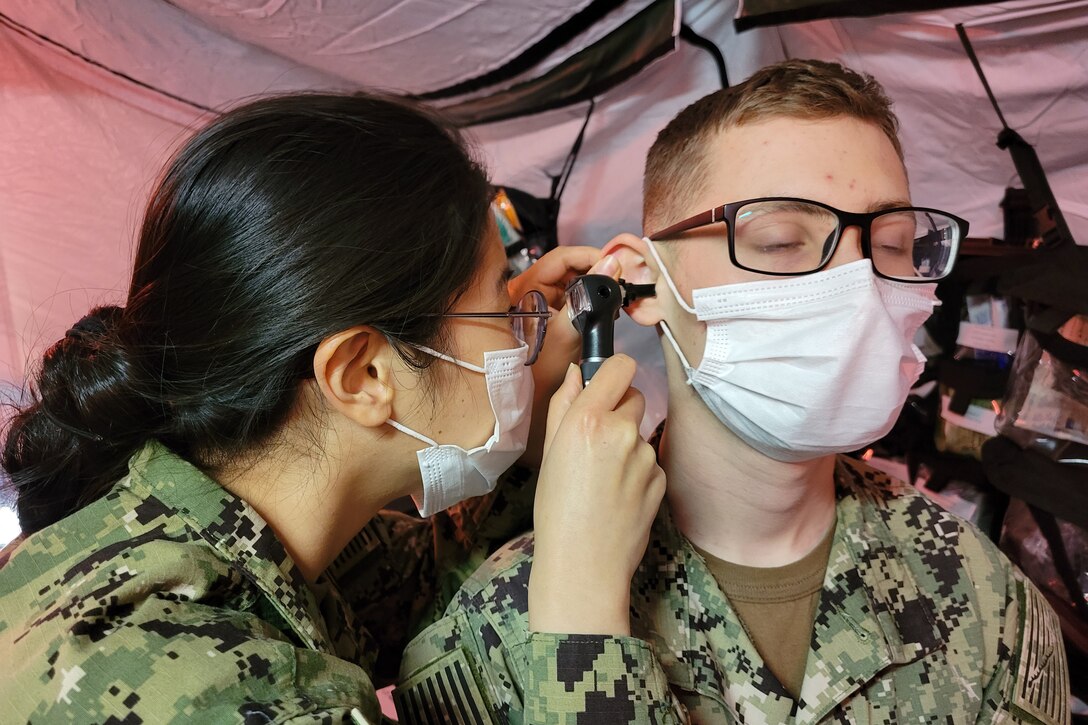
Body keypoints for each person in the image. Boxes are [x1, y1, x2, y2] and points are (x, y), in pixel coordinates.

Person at [396, 60, 1071, 723]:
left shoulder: (989, 601)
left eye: (893, 243)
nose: (860, 284)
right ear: (643, 280)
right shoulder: (490, 638)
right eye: (781, 240)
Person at [0, 93, 665, 722]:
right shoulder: (200, 692)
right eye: (503, 302)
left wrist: (528, 410)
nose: (527, 327)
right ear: (363, 373)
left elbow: (434, 583)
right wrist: (583, 608)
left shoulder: (208, 530)